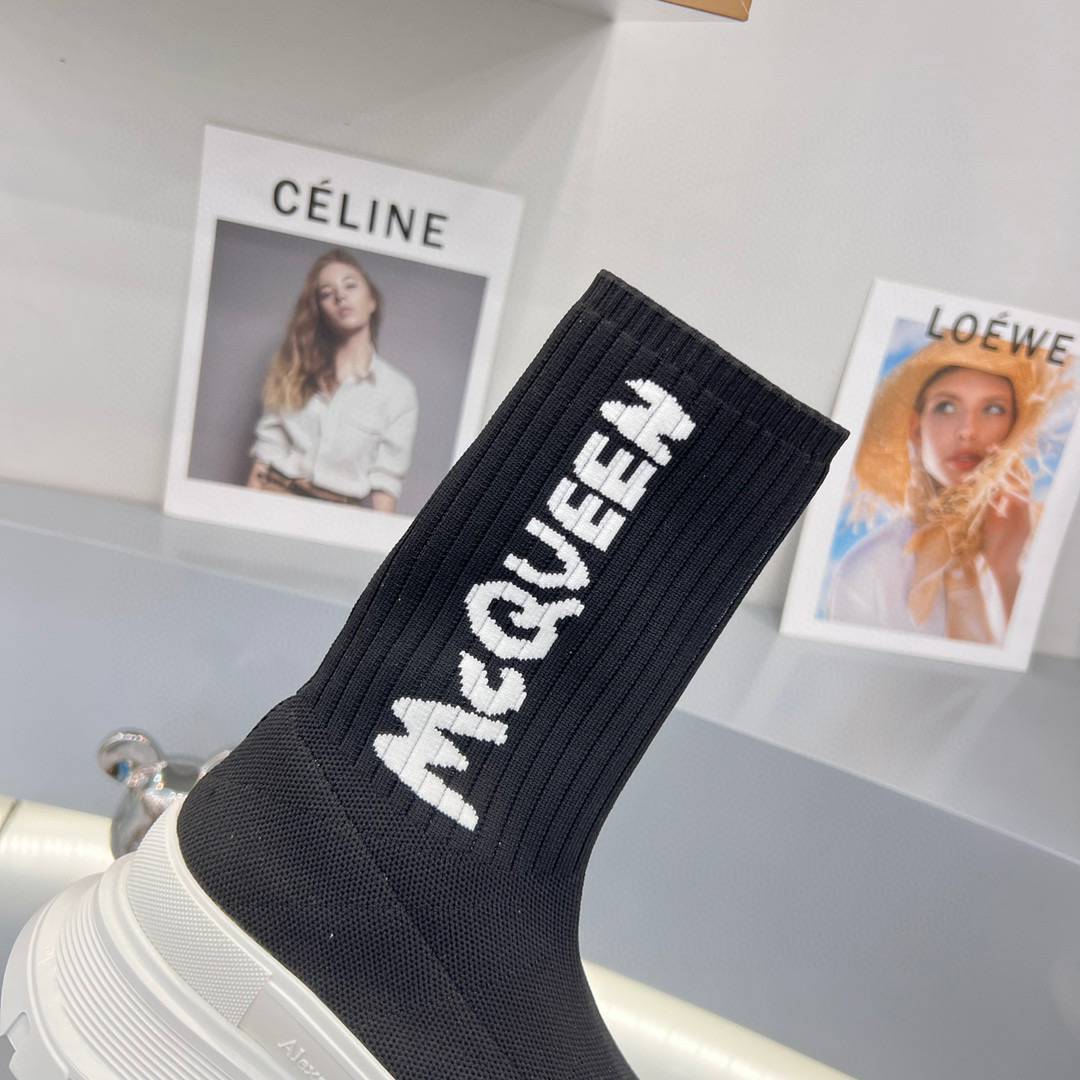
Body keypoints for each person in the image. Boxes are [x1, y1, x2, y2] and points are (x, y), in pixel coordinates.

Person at [826, 331, 1069, 644]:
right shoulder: (869, 568)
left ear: (1014, 427)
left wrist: (1007, 569)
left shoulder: (1056, 549)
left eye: (993, 409)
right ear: (916, 428)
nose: (968, 431)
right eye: (946, 407)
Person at [246, 248, 419, 514]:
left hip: (339, 515)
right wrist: (244, 514)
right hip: (275, 496)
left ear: (372, 300)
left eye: (350, 285)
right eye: (327, 293)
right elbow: (267, 453)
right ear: (320, 311)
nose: (340, 296)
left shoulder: (398, 391)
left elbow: (386, 481)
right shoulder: (292, 368)